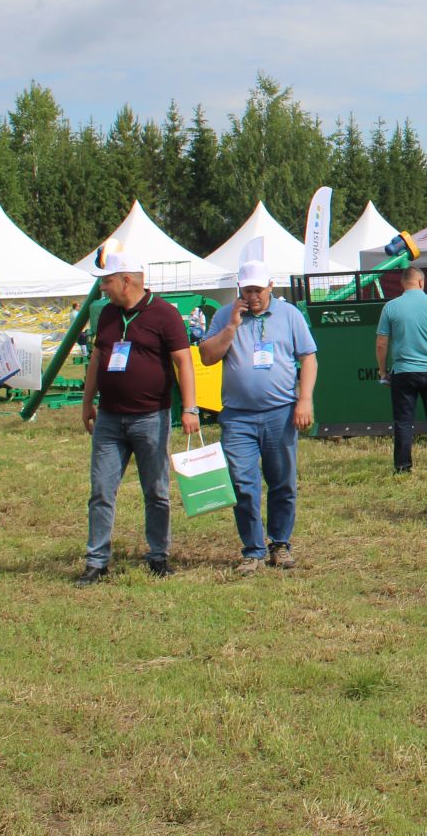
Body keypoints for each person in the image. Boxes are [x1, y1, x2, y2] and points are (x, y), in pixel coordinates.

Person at [77, 251, 199, 585]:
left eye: (107, 281)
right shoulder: (106, 315)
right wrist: (88, 402)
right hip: (110, 419)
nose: (103, 287)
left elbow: (184, 362)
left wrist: (190, 408)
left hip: (150, 418)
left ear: (126, 280)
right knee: (101, 490)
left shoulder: (164, 315)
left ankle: (158, 556)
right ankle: (97, 561)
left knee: (156, 491)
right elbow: (98, 358)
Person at [199, 259, 318, 575]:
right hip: (237, 417)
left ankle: (280, 544)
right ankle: (252, 550)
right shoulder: (227, 315)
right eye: (246, 290)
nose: (252, 297)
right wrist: (231, 327)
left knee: (282, 481)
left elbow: (308, 358)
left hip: (280, 413)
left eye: (257, 290)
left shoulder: (289, 314)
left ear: (270, 287)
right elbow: (207, 356)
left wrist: (304, 400)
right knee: (242, 483)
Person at [375, 266, 427, 473]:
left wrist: (383, 371)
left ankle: (403, 467)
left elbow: (381, 344)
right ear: (421, 282)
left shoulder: (391, 307)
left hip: (403, 372)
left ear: (403, 283)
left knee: (403, 421)